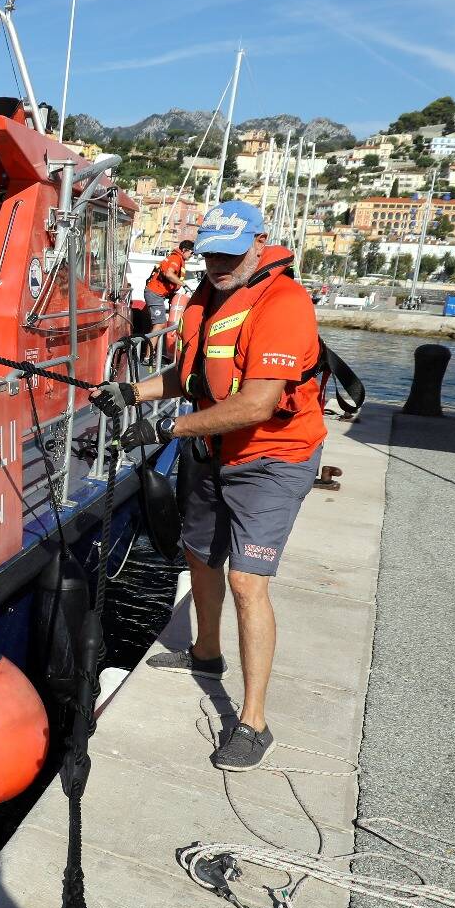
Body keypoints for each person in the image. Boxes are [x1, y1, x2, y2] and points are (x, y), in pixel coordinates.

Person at [92, 199, 328, 772]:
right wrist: (134, 393)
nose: (219, 264)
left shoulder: (284, 302)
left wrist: (169, 426)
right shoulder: (207, 297)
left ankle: (253, 722)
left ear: (259, 241)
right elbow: (192, 374)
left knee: (247, 579)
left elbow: (257, 402)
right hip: (210, 452)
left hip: (272, 458)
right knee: (199, 556)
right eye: (211, 253)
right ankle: (206, 653)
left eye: (230, 253)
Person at [139, 236, 195, 334]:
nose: (192, 255)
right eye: (191, 252)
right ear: (185, 250)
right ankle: (151, 349)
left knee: (158, 324)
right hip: (155, 293)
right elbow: (169, 274)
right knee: (159, 324)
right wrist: (184, 285)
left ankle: (152, 348)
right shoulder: (176, 258)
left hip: (157, 293)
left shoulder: (175, 257)